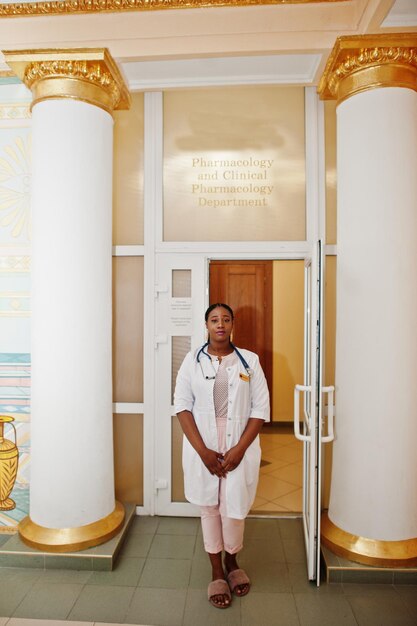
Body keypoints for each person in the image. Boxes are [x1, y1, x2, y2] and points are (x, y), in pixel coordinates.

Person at [174, 303, 270, 609]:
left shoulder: (250, 362)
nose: (220, 324)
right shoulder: (192, 361)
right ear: (206, 325)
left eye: (225, 319)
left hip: (238, 447)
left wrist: (239, 450)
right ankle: (216, 570)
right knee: (209, 507)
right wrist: (202, 452)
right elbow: (182, 406)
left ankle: (232, 560)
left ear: (232, 325)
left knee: (234, 508)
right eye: (214, 319)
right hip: (205, 447)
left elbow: (260, 409)